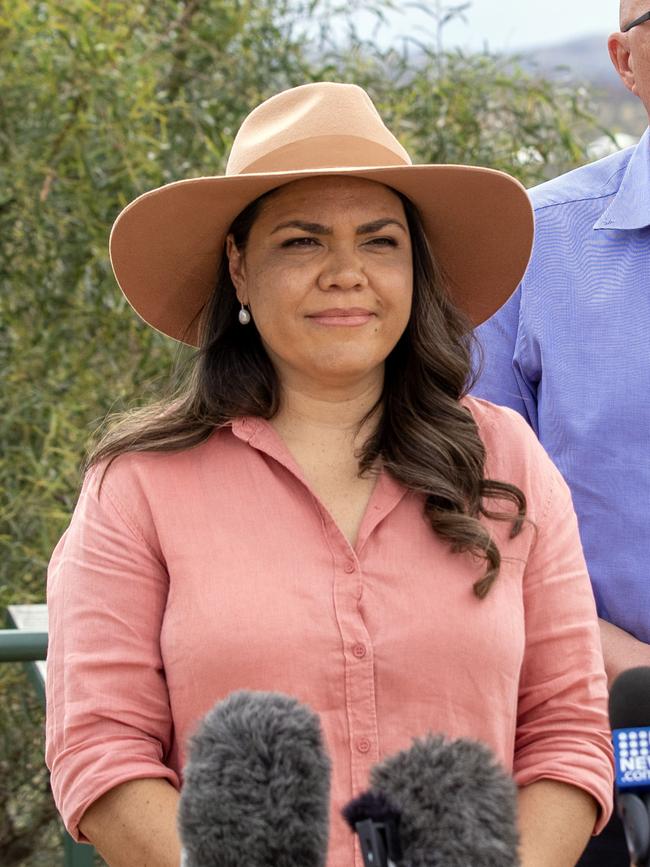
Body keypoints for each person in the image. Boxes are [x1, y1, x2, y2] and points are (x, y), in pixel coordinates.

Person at [45, 82, 614, 867]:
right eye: (303, 241)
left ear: (416, 268)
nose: (347, 271)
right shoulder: (138, 486)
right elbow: (101, 750)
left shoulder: (508, 463)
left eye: (380, 241)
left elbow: (567, 734)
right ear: (239, 269)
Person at [472, 4, 650, 865]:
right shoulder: (535, 247)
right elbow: (473, 505)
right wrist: (626, 669)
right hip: (603, 741)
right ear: (626, 59)